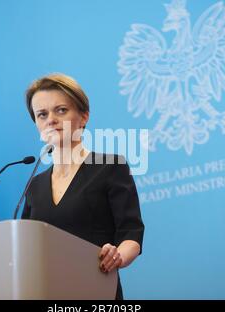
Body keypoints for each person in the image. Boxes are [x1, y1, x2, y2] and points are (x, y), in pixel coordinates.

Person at [21, 73, 144, 300]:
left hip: (98, 292)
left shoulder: (110, 167)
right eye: (42, 114)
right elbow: (25, 248)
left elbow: (131, 234)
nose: (51, 120)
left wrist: (117, 256)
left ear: (83, 116)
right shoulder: (34, 186)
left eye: (61, 110)